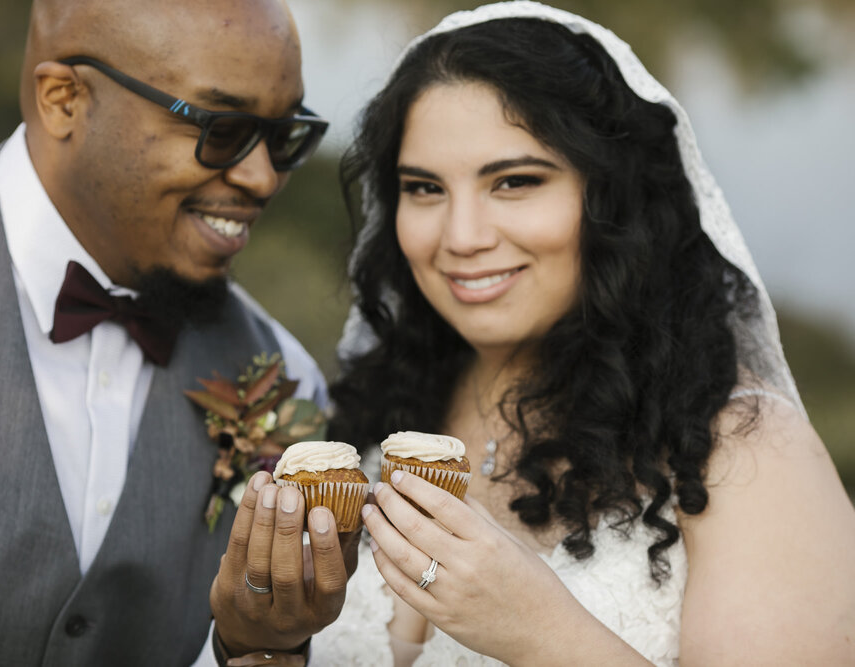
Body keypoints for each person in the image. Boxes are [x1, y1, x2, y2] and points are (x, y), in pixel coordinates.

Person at [321, 2, 855, 665]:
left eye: (514, 181)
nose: (460, 237)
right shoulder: (384, 409)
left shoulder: (741, 449)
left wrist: (542, 632)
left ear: (613, 198)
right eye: (425, 188)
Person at [0, 1, 352, 664]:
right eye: (222, 128)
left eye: (285, 134)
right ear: (64, 99)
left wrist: (252, 644)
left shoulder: (283, 378)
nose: (263, 177)